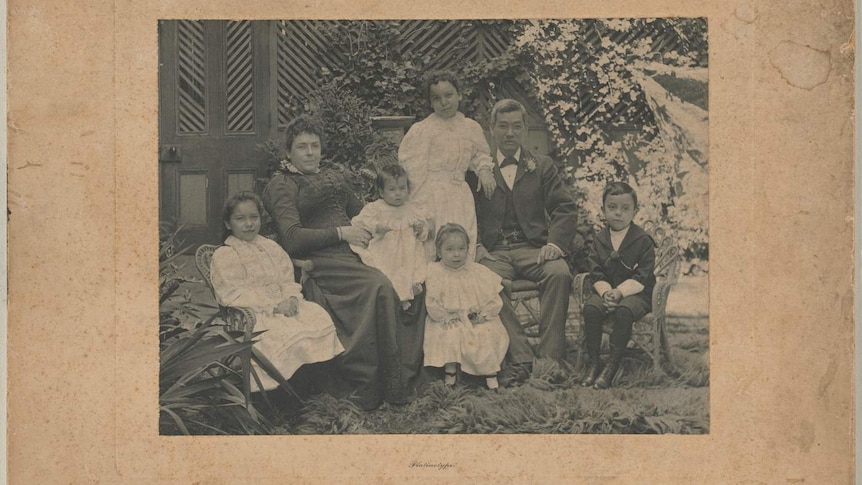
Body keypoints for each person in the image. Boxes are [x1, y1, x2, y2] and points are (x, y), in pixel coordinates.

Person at [262, 116, 425, 410]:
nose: (310, 152)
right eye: (302, 147)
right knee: (379, 286)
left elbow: (363, 213)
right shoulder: (282, 185)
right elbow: (292, 237)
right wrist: (341, 232)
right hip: (321, 260)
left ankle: (406, 376)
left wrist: (389, 225)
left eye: (315, 146)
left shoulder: (333, 176)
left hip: (357, 251)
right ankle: (369, 387)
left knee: (411, 279)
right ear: (288, 152)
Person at [466, 98, 578, 386]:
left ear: (526, 129)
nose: (509, 133)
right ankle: (522, 358)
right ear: (491, 130)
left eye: (516, 126)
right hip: (495, 252)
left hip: (533, 249)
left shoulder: (541, 166)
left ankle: (550, 359)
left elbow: (564, 208)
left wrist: (554, 244)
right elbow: (465, 212)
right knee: (488, 283)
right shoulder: (477, 170)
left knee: (559, 272)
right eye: (502, 126)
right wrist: (475, 246)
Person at [210, 191, 344, 392]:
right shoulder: (226, 255)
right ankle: (283, 394)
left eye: (253, 217)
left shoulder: (270, 247)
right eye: (240, 219)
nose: (249, 224)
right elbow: (232, 294)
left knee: (316, 316)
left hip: (285, 305)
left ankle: (314, 386)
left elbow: (286, 278)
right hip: (254, 314)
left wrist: (291, 298)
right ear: (228, 224)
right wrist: (273, 306)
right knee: (283, 333)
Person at [398, 70, 497, 263]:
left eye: (449, 95)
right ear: (430, 102)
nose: (444, 102)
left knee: (459, 248)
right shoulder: (422, 130)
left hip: (460, 196)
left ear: (459, 94)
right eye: (437, 98)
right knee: (434, 247)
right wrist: (418, 212)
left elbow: (480, 154)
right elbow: (413, 174)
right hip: (431, 197)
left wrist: (484, 169)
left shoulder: (470, 127)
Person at [581, 182, 656, 389]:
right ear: (603, 209)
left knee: (624, 310)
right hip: (607, 290)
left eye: (625, 208)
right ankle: (595, 362)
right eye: (612, 207)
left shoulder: (642, 240)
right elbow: (595, 270)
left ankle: (612, 365)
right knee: (591, 308)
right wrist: (606, 292)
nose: (618, 214)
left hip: (637, 294)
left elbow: (644, 274)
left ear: (635, 211)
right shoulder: (599, 239)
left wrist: (620, 292)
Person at [423, 224, 509, 391]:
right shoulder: (435, 272)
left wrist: (483, 314)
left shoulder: (477, 271)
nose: (456, 254)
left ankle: (491, 376)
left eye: (461, 249)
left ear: (468, 249)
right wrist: (444, 316)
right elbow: (432, 302)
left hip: (476, 317)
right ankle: (450, 373)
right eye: (449, 250)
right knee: (450, 334)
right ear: (439, 252)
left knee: (487, 334)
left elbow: (493, 300)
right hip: (448, 318)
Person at [349, 165, 433, 310]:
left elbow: (423, 229)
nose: (398, 194)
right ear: (382, 192)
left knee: (410, 270)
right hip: (386, 249)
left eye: (402, 188)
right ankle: (396, 297)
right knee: (388, 271)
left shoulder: (411, 208)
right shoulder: (376, 208)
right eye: (392, 190)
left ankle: (408, 291)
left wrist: (420, 229)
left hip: (407, 251)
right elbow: (358, 222)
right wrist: (376, 226)